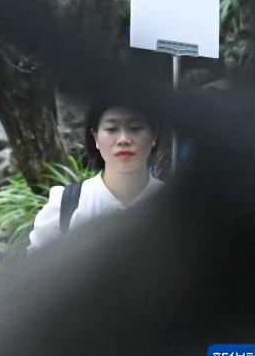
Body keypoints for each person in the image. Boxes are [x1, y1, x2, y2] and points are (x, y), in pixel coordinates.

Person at [27, 102, 164, 251]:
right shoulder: (65, 205)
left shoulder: (175, 203)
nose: (123, 139)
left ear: (154, 136)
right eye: (111, 129)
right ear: (95, 137)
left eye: (135, 128)